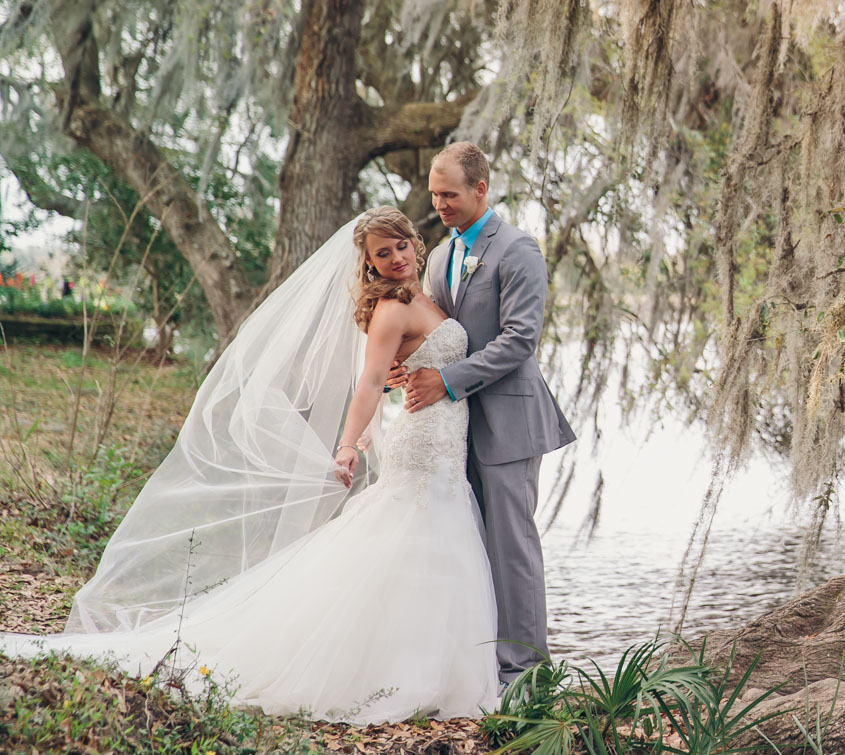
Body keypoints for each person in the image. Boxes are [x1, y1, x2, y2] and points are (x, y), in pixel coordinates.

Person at [1, 208, 497, 723]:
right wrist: (348, 443)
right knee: (413, 540)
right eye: (382, 254)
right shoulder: (392, 311)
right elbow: (370, 381)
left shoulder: (427, 297)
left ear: (415, 244)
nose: (396, 259)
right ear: (369, 264)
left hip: (446, 443)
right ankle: (403, 676)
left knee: (429, 547)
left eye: (400, 247)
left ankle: (428, 669)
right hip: (421, 444)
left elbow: (416, 363)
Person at [388, 141, 575, 689]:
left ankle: (526, 677)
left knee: (510, 547)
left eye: (449, 194)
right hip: (453, 429)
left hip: (510, 424)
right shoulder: (442, 257)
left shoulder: (519, 250)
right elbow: (434, 331)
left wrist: (445, 380)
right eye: (434, 195)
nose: (440, 204)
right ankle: (475, 670)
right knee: (464, 545)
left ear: (480, 190)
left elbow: (520, 340)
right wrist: (408, 369)